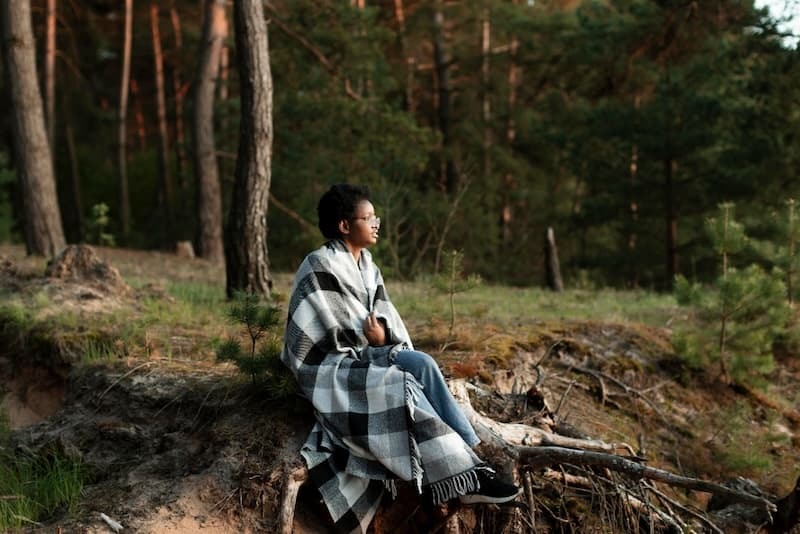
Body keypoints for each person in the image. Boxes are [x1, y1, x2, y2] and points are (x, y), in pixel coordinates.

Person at [281, 184, 520, 533]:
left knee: (420, 362)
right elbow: (318, 333)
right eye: (368, 218)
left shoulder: (369, 266)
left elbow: (384, 319)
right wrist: (369, 337)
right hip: (329, 365)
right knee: (401, 383)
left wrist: (382, 338)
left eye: (375, 217)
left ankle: (470, 454)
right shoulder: (320, 264)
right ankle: (462, 476)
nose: (376, 224)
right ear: (345, 225)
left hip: (366, 353)